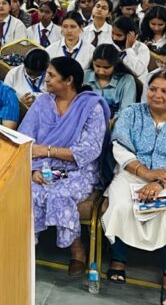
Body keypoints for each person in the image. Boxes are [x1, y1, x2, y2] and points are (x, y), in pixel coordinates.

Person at [102, 71, 166, 305]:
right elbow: (120, 149)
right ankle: (118, 258)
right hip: (131, 174)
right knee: (121, 205)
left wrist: (159, 183)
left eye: (165, 91)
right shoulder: (131, 113)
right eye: (153, 89)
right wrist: (145, 174)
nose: (157, 95)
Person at [22, 57, 109, 274]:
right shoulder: (42, 103)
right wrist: (34, 170)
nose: (46, 79)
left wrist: (47, 151)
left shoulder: (90, 107)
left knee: (59, 193)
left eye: (52, 75)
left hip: (78, 170)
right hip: (46, 168)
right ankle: (27, 248)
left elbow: (89, 150)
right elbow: (24, 138)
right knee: (28, 191)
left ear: (68, 80)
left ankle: (77, 250)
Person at [85, 44, 137, 118]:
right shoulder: (85, 75)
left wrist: (112, 121)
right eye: (97, 66)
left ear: (115, 65)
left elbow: (126, 111)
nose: (101, 71)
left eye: (106, 68)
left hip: (116, 122)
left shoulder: (126, 80)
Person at [111, 16, 150, 85]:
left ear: (130, 35)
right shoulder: (112, 46)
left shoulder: (141, 48)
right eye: (113, 33)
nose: (114, 38)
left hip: (137, 84)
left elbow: (138, 71)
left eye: (119, 35)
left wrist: (129, 49)